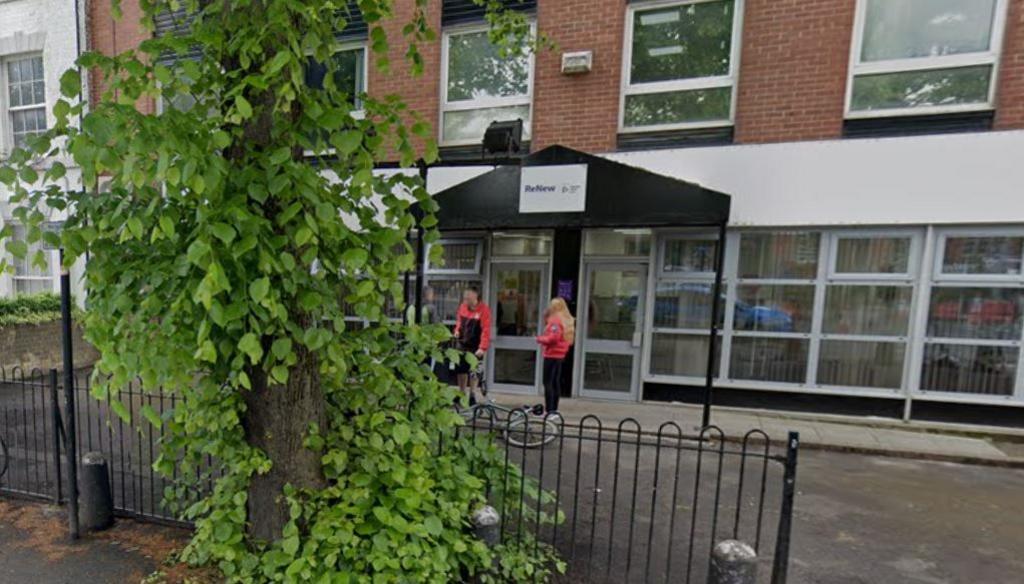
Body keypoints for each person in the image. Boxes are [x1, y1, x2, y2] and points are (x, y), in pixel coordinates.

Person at [453, 286, 491, 406]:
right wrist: (457, 330)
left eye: (467, 296)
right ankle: (461, 393)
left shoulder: (484, 310)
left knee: (474, 371)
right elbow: (459, 321)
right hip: (462, 343)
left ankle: (472, 395)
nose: (465, 299)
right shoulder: (463, 307)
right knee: (461, 370)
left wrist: (482, 347)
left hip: (476, 346)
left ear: (475, 296)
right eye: (464, 297)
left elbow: (486, 330)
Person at [536, 297, 575, 415]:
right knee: (555, 382)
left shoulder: (555, 320)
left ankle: (549, 410)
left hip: (552, 354)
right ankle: (555, 409)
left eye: (551, 306)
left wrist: (539, 339)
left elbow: (553, 338)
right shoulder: (566, 319)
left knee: (548, 382)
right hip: (560, 355)